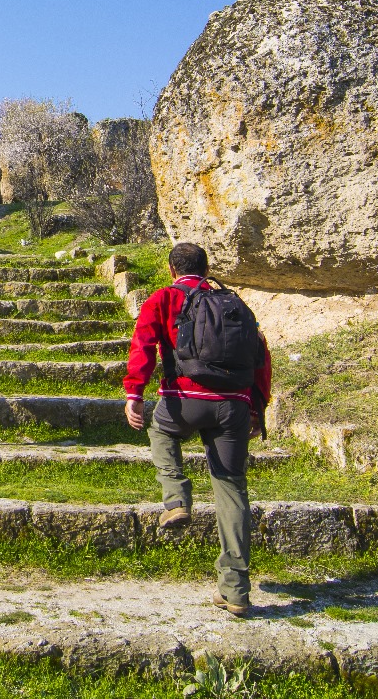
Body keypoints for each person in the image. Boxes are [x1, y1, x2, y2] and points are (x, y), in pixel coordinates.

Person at [124, 241, 272, 616]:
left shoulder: (163, 299)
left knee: (160, 431)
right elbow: (260, 354)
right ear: (206, 271)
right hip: (233, 408)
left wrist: (134, 394)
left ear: (172, 270)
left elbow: (142, 344)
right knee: (232, 489)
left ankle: (176, 498)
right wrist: (257, 406)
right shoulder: (235, 304)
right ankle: (236, 590)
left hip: (183, 402)